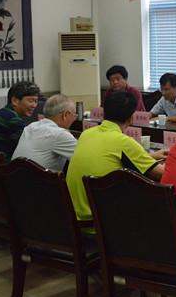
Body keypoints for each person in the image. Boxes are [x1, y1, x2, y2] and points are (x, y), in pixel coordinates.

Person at [67, 91, 167, 223]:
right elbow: (163, 174)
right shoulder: (124, 142)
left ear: (103, 114)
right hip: (101, 223)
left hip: (72, 218)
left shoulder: (86, 134)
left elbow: (112, 156)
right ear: (130, 119)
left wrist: (151, 156)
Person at [12, 94, 78, 172]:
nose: (74, 119)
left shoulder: (31, 127)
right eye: (74, 115)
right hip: (39, 179)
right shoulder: (60, 134)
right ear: (65, 114)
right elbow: (83, 157)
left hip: (13, 177)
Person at [0, 80, 40, 160]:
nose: (34, 105)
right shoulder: (11, 119)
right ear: (15, 101)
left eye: (36, 101)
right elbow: (31, 146)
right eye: (31, 101)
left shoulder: (3, 113)